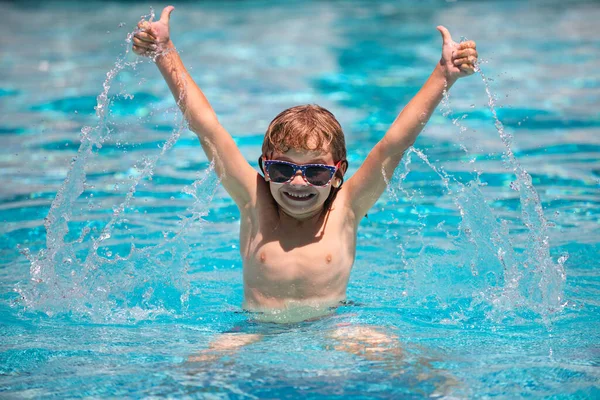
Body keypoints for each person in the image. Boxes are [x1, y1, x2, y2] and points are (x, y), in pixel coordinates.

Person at [132, 5, 477, 364]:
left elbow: (394, 142)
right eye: (283, 169)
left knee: (404, 357)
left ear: (338, 172)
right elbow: (207, 127)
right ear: (265, 168)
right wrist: (164, 52)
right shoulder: (255, 201)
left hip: (335, 324)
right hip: (253, 328)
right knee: (195, 367)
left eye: (315, 172)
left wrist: (443, 75)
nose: (298, 182)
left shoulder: (347, 207)